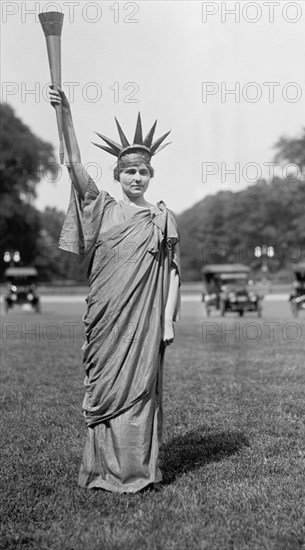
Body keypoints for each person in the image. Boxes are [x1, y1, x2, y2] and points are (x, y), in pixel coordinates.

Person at [49, 86, 181, 493]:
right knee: (104, 385)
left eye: (143, 172)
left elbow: (173, 274)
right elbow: (72, 165)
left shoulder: (162, 218)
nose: (136, 178)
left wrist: (166, 321)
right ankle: (102, 470)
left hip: (144, 322)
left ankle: (136, 472)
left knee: (139, 390)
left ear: (151, 175)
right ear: (117, 175)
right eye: (129, 172)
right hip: (105, 317)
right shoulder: (102, 206)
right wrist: (65, 115)